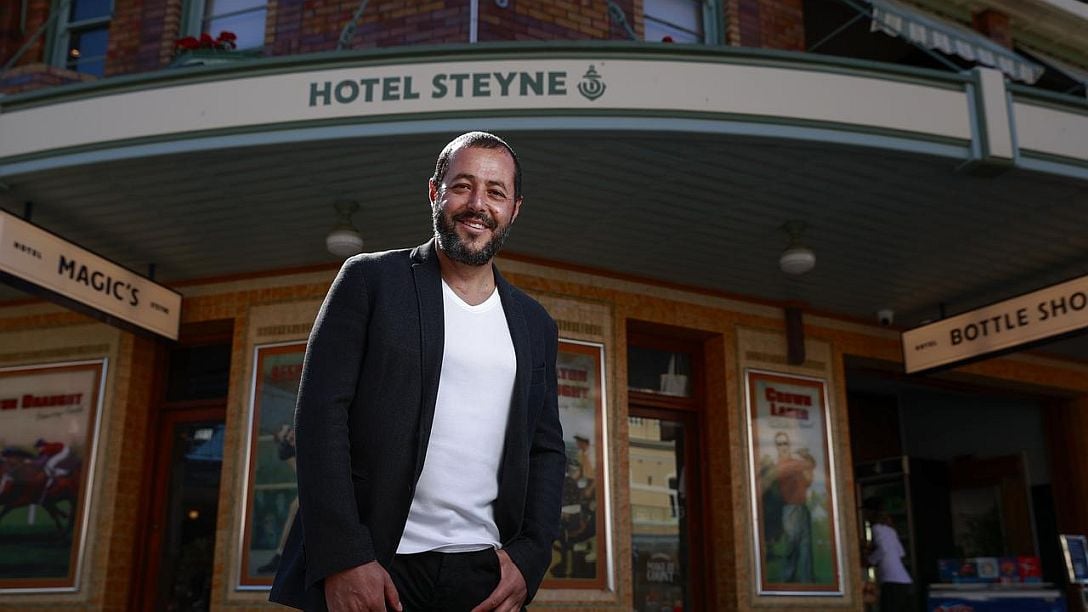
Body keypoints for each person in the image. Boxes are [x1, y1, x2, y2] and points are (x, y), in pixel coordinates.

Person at [270, 131, 566, 612]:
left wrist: (532, 557)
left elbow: (546, 449)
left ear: (514, 208)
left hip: (483, 575)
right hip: (377, 568)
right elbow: (321, 419)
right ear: (435, 192)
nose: (477, 204)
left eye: (495, 192)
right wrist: (345, 558)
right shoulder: (369, 281)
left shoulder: (536, 324)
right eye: (462, 186)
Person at [773, 431, 815, 583]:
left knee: (804, 548)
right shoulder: (782, 465)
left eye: (785, 443)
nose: (783, 447)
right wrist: (805, 456)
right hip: (791, 509)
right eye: (780, 444)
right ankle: (787, 579)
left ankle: (806, 581)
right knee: (792, 548)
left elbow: (808, 480)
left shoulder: (793, 464)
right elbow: (810, 464)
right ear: (776, 447)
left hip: (802, 508)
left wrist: (806, 461)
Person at [863, 497, 915, 612]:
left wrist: (869, 560)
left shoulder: (876, 528)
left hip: (891, 582)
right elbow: (901, 552)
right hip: (905, 581)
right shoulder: (891, 530)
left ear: (869, 512)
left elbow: (883, 549)